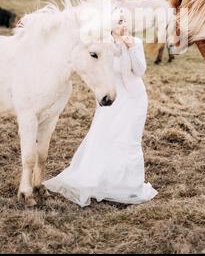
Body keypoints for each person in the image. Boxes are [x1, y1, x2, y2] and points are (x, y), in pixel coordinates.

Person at [44, 11, 157, 207]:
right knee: (104, 136)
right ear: (110, 26)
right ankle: (101, 180)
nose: (124, 25)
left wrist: (130, 49)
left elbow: (140, 71)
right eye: (119, 22)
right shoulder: (102, 47)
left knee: (129, 139)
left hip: (135, 99)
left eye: (125, 21)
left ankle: (128, 187)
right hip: (112, 99)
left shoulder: (135, 43)